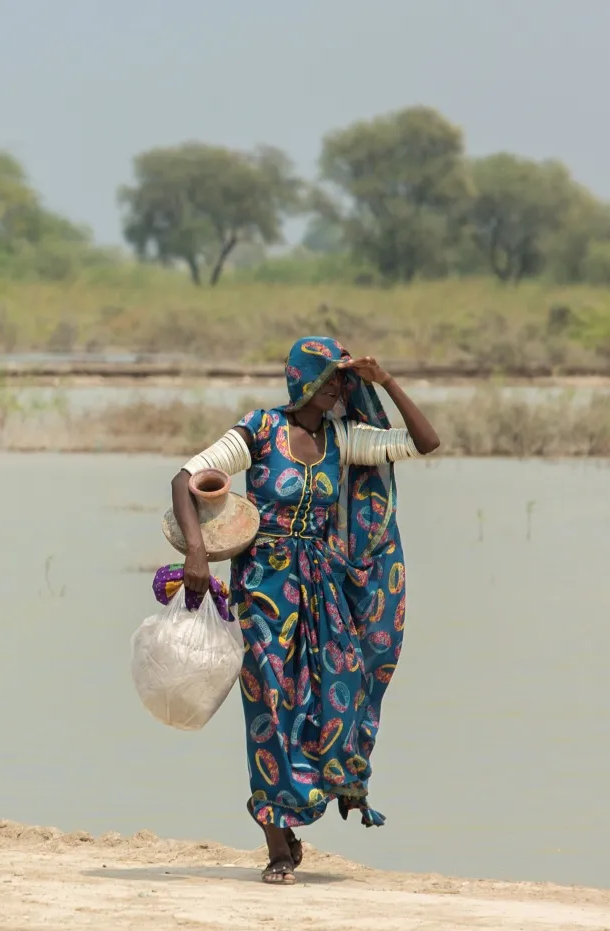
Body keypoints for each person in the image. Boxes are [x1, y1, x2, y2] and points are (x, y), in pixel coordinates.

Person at [169, 336, 441, 885]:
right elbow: (185, 478)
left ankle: (315, 792)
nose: (344, 387)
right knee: (270, 701)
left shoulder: (345, 438)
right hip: (264, 587)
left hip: (323, 587)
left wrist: (384, 379)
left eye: (347, 380)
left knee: (333, 689)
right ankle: (275, 836)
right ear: (310, 382)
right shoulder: (260, 431)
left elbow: (424, 442)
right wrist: (197, 552)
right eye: (337, 378)